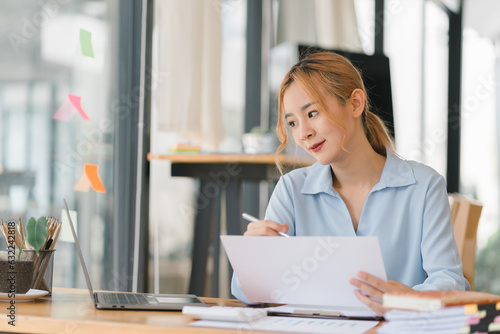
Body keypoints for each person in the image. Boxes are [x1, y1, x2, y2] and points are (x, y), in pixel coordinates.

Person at [231, 50, 469, 315]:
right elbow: (248, 294)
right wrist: (254, 257)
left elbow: (451, 282)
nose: (303, 133)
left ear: (355, 103)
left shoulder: (423, 186)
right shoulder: (291, 190)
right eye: (293, 122)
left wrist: (408, 297)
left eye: (312, 113)